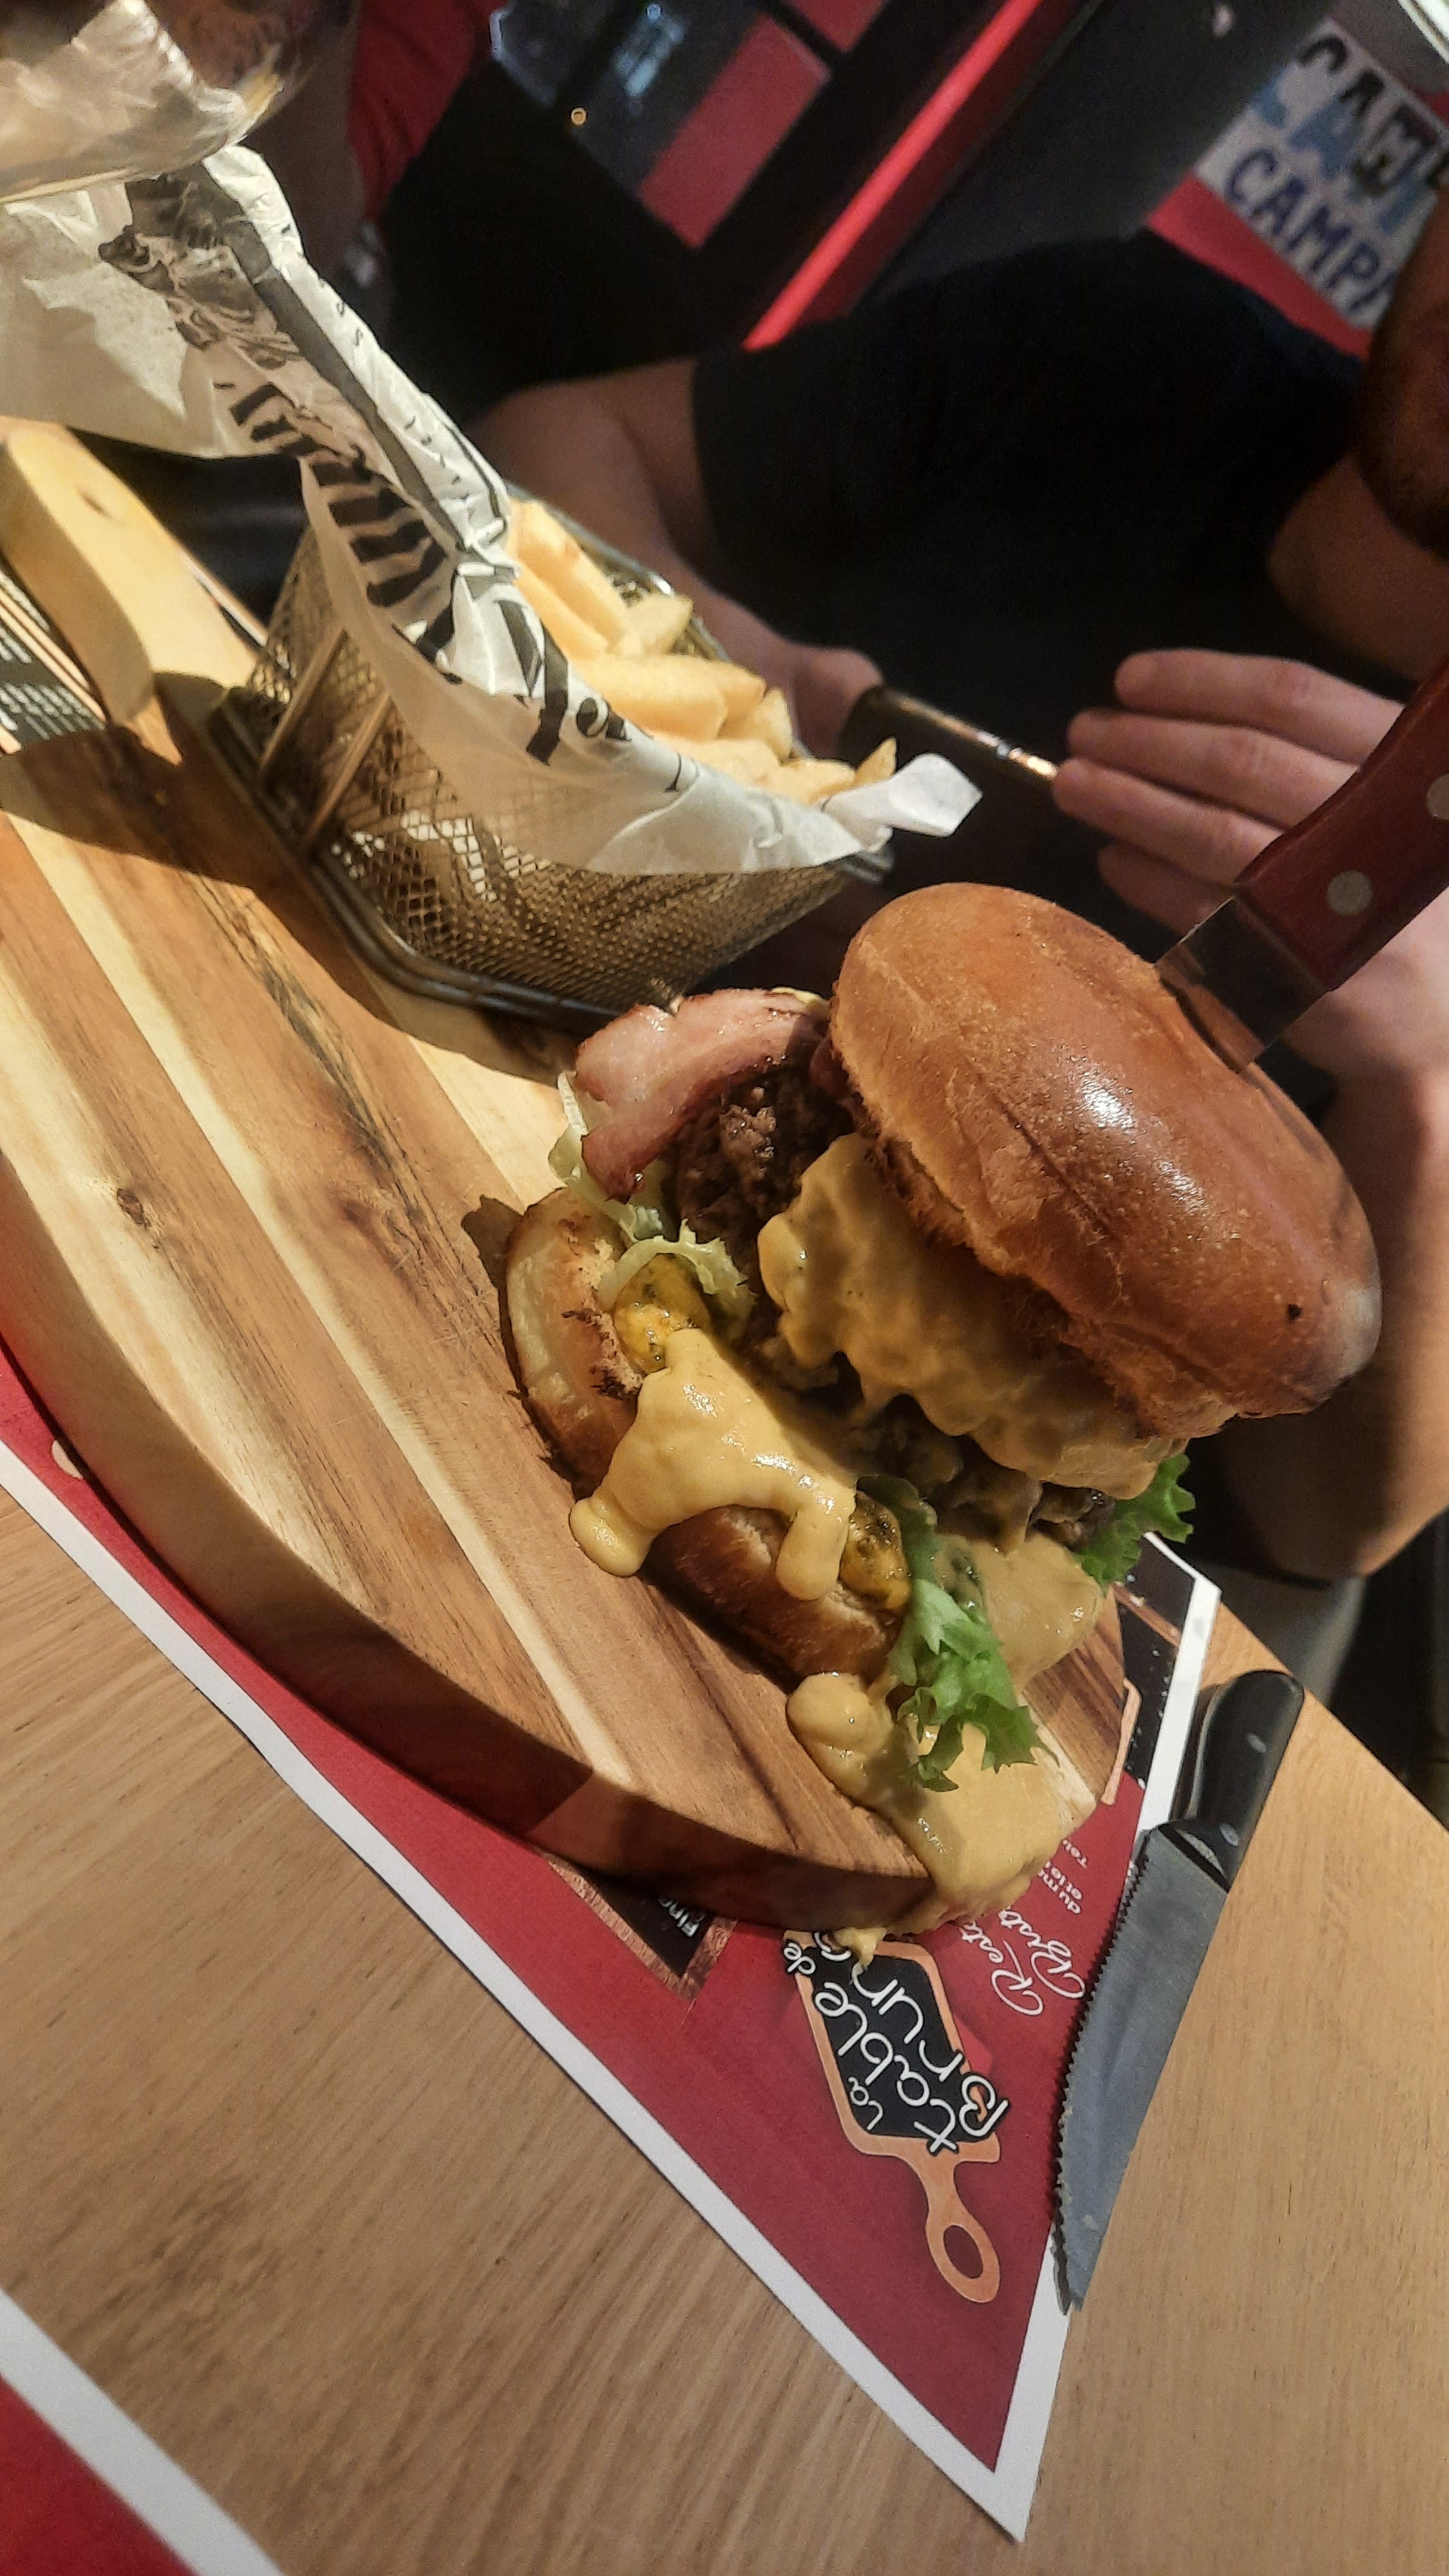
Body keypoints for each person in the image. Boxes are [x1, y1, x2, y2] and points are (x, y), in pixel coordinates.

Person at [476, 209, 1449, 1699]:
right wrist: (768, 689)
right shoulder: (1123, 350)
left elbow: (1328, 1527)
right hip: (493, 1041)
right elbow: (548, 436)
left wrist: (1428, 1086)